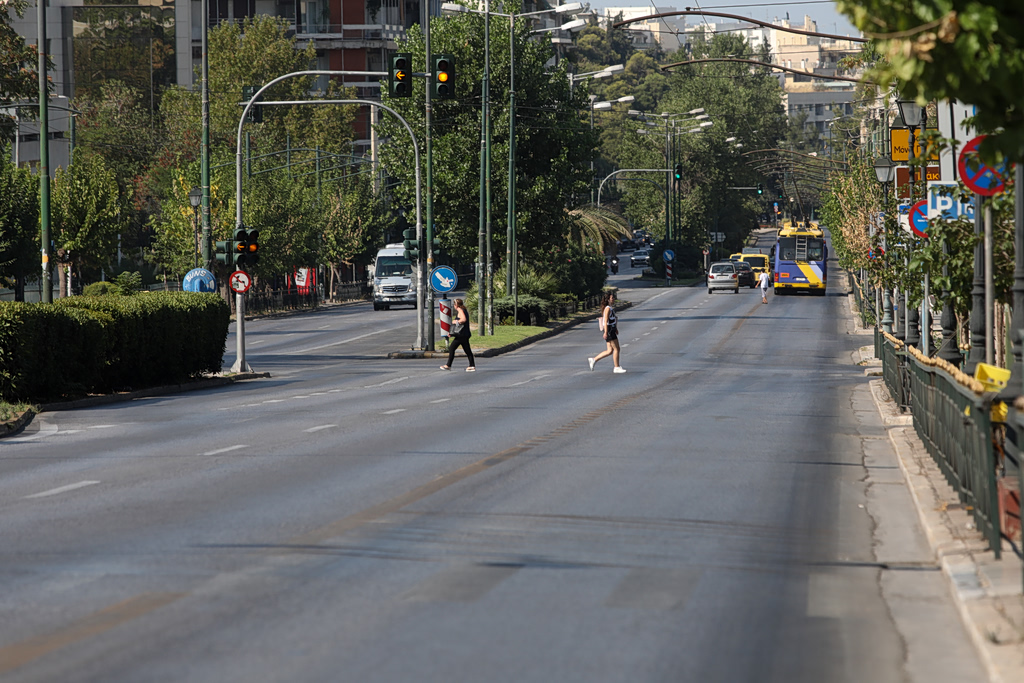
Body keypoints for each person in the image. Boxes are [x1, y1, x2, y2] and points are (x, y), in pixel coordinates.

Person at [588, 291, 626, 373]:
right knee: (617, 348)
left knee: (609, 351)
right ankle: (616, 367)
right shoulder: (608, 308)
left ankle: (594, 360)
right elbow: (605, 321)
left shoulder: (609, 308)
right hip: (609, 330)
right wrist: (606, 332)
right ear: (608, 300)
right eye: (612, 298)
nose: (613, 299)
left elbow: (611, 320)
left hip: (611, 329)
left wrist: (615, 328)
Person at [441, 298, 476, 372]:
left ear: (456, 305)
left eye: (454, 304)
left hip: (461, 335)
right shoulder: (463, 310)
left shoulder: (460, 310)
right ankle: (472, 365)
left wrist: (456, 321)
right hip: (464, 334)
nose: (454, 306)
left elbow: (463, 320)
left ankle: (448, 365)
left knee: (452, 348)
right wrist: (451, 332)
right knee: (467, 350)